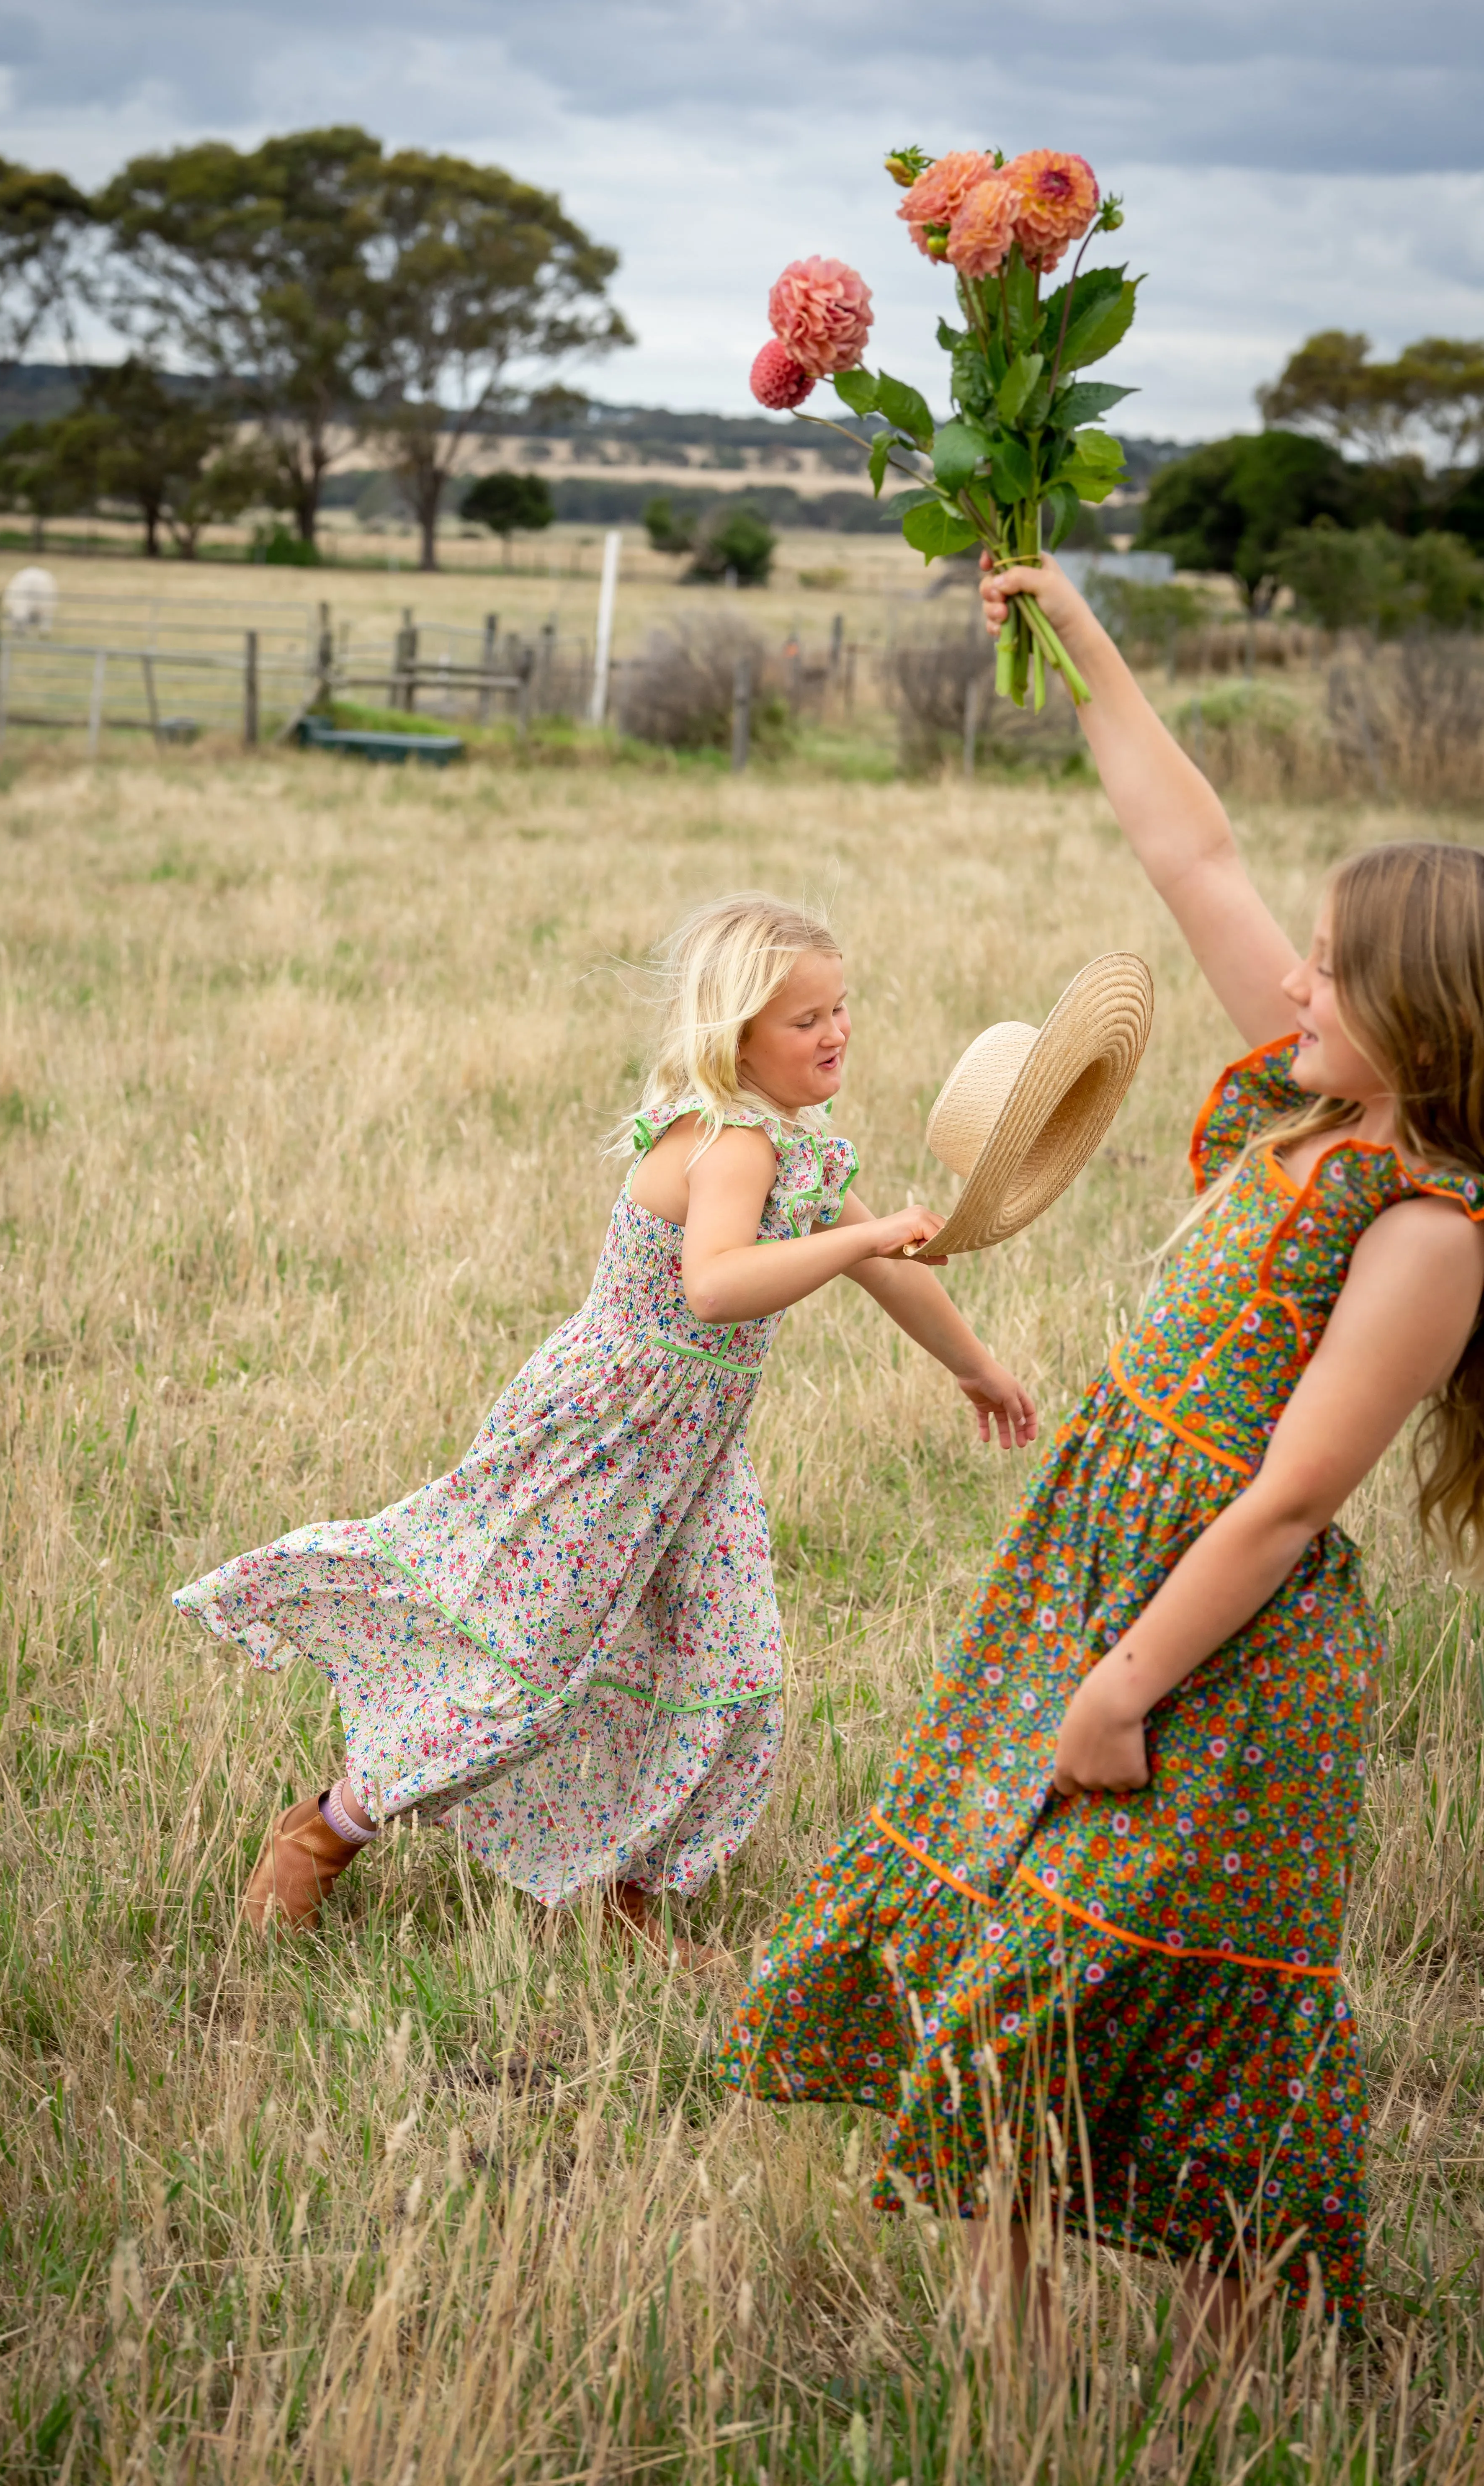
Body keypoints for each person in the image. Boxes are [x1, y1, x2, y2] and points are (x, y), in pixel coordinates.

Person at [723, 556, 1484, 2339]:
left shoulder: (1430, 1228)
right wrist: (1070, 624)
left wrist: (1120, 1681)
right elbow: (1189, 852)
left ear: (1426, 1017)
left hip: (1219, 1642)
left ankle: (1243, 2347)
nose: (1290, 971)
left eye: (1329, 961)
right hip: (1098, 1571)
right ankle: (1014, 2341)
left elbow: (1293, 1495)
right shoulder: (1302, 1096)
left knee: (1110, 1973)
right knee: (1006, 1950)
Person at [174, 891, 1036, 1952]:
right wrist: (869, 1235)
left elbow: (887, 1271)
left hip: (692, 1454)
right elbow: (716, 1284)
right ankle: (324, 1830)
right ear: (738, 1035)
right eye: (805, 1019)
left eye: (841, 1007)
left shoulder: (799, 1142)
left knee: (722, 1662)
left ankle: (623, 1890)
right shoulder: (731, 1143)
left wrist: (975, 1366)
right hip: (606, 1436)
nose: (836, 1032)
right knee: (524, 1669)